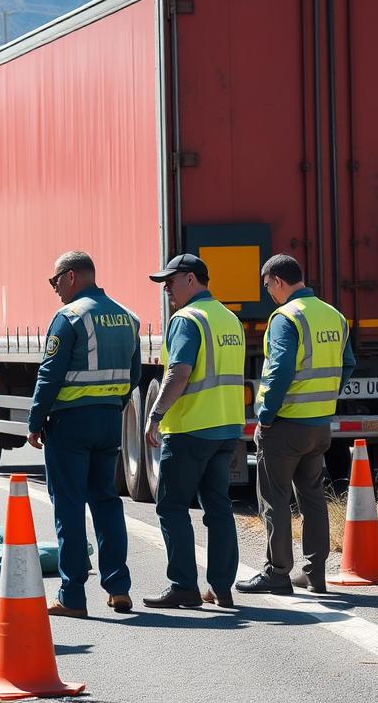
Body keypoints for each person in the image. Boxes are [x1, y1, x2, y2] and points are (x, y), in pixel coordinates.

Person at [27, 251, 141, 618]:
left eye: (55, 280)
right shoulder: (127, 317)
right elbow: (134, 374)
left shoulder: (69, 317)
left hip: (69, 425)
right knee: (107, 502)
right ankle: (118, 588)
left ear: (72, 276)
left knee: (70, 507)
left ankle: (73, 595)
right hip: (108, 421)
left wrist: (35, 421)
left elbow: (50, 374)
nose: (54, 288)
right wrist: (113, 402)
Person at [237, 254, 354, 596]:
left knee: (274, 499)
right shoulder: (333, 314)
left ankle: (277, 573)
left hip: (286, 424)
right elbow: (348, 364)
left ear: (276, 280)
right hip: (319, 425)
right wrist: (326, 398)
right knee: (313, 498)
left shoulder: (286, 317)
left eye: (267, 286)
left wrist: (266, 415)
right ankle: (315, 574)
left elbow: (280, 369)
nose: (268, 293)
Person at [142, 254, 244, 609]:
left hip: (190, 429)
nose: (167, 289)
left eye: (170, 281)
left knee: (171, 507)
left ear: (191, 279)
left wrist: (155, 414)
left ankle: (184, 586)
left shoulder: (187, 319)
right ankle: (221, 587)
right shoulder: (228, 317)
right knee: (218, 508)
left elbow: (179, 372)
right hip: (226, 427)